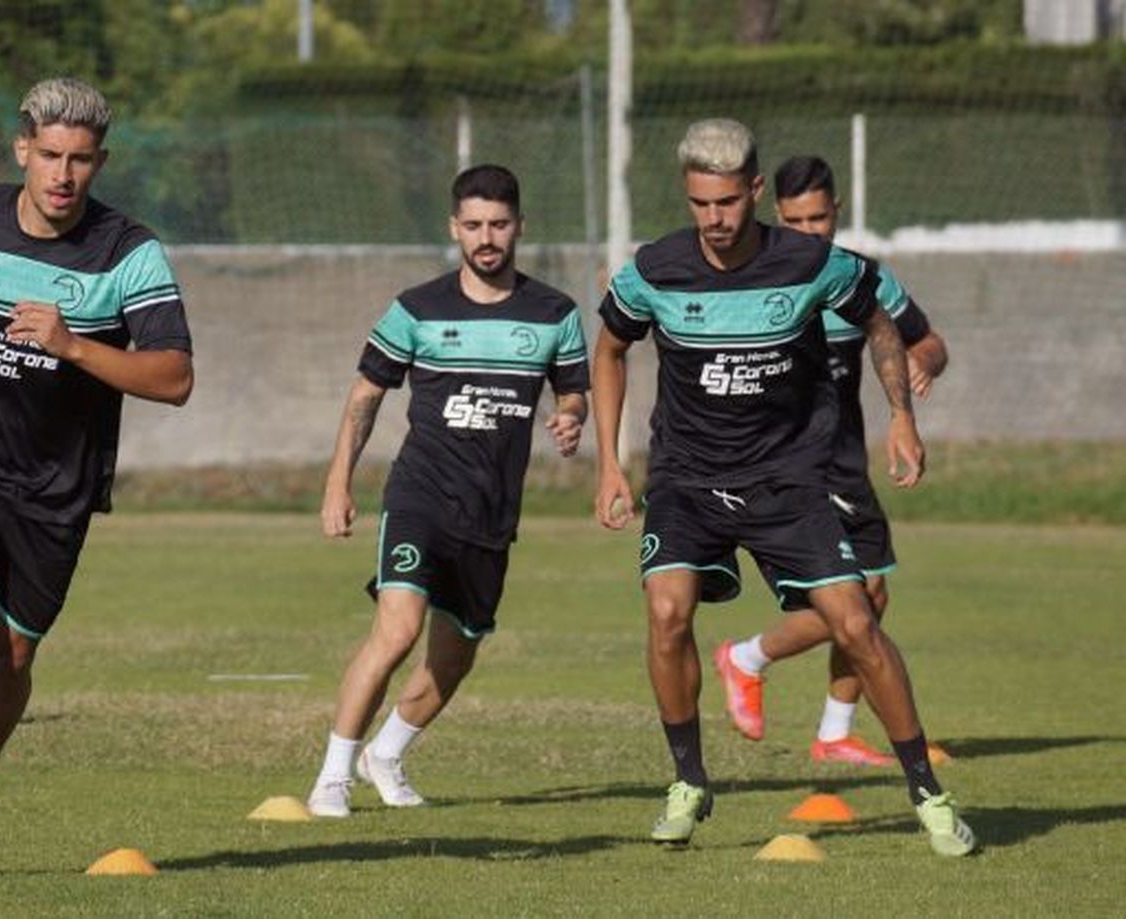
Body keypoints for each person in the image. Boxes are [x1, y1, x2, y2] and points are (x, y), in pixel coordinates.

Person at [591, 119, 975, 856]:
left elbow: (880, 320)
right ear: (687, 196)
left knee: (858, 623)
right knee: (667, 611)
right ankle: (688, 780)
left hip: (788, 477)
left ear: (755, 191)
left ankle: (929, 791)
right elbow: (610, 347)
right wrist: (608, 462)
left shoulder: (811, 262)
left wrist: (901, 415)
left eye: (730, 202)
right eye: (702, 204)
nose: (716, 219)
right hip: (687, 477)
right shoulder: (654, 269)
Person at [0, 77, 193, 879]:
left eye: (81, 160)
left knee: (7, 662)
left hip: (57, 490)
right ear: (23, 149)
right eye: (50, 155)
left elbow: (175, 376)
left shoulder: (129, 253)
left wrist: (76, 345)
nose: (63, 175)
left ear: (100, 163)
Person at [305, 164, 589, 818]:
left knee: (455, 657)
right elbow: (366, 395)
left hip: (490, 514)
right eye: (473, 225)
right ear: (453, 228)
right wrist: (337, 483)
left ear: (519, 225)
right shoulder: (416, 309)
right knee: (397, 628)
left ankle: (387, 753)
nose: (486, 237)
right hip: (419, 497)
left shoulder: (554, 314)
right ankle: (333, 775)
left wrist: (571, 415)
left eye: (498, 224)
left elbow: (572, 387)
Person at [713, 155, 950, 767]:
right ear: (775, 215)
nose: (808, 231)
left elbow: (925, 339)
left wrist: (922, 368)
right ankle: (747, 660)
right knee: (856, 599)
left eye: (818, 217)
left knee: (870, 600)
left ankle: (832, 730)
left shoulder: (862, 279)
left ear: (837, 211)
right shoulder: (755, 282)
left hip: (844, 462)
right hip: (789, 466)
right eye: (794, 220)